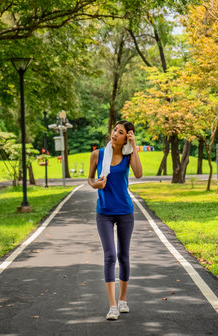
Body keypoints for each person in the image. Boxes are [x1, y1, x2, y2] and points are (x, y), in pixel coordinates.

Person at [88, 120, 142, 320]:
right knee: (110, 255)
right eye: (115, 130)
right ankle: (112, 306)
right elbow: (90, 179)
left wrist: (134, 145)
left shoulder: (128, 155)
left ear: (126, 136)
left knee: (123, 256)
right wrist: (96, 186)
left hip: (125, 211)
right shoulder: (98, 154)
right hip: (104, 212)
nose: (115, 134)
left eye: (120, 132)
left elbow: (138, 174)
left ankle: (122, 299)